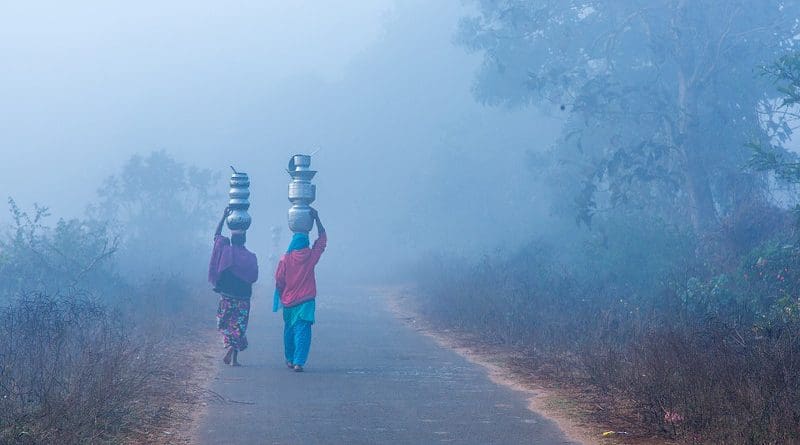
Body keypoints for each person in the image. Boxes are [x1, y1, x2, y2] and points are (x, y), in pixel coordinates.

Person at [274, 208, 326, 372]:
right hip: (306, 301)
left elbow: (279, 280)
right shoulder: (311, 256)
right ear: (305, 242)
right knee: (302, 331)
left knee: (289, 331)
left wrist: (281, 294)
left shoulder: (285, 259)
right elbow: (322, 241)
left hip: (289, 301)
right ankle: (298, 362)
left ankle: (289, 359)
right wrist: (317, 219)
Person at [208, 207, 258, 366]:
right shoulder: (251, 257)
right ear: (244, 240)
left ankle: (230, 351)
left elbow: (216, 236)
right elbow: (254, 277)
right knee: (239, 325)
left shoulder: (225, 250)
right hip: (243, 297)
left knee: (225, 324)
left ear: (232, 238)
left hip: (227, 296)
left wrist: (223, 217)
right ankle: (234, 358)